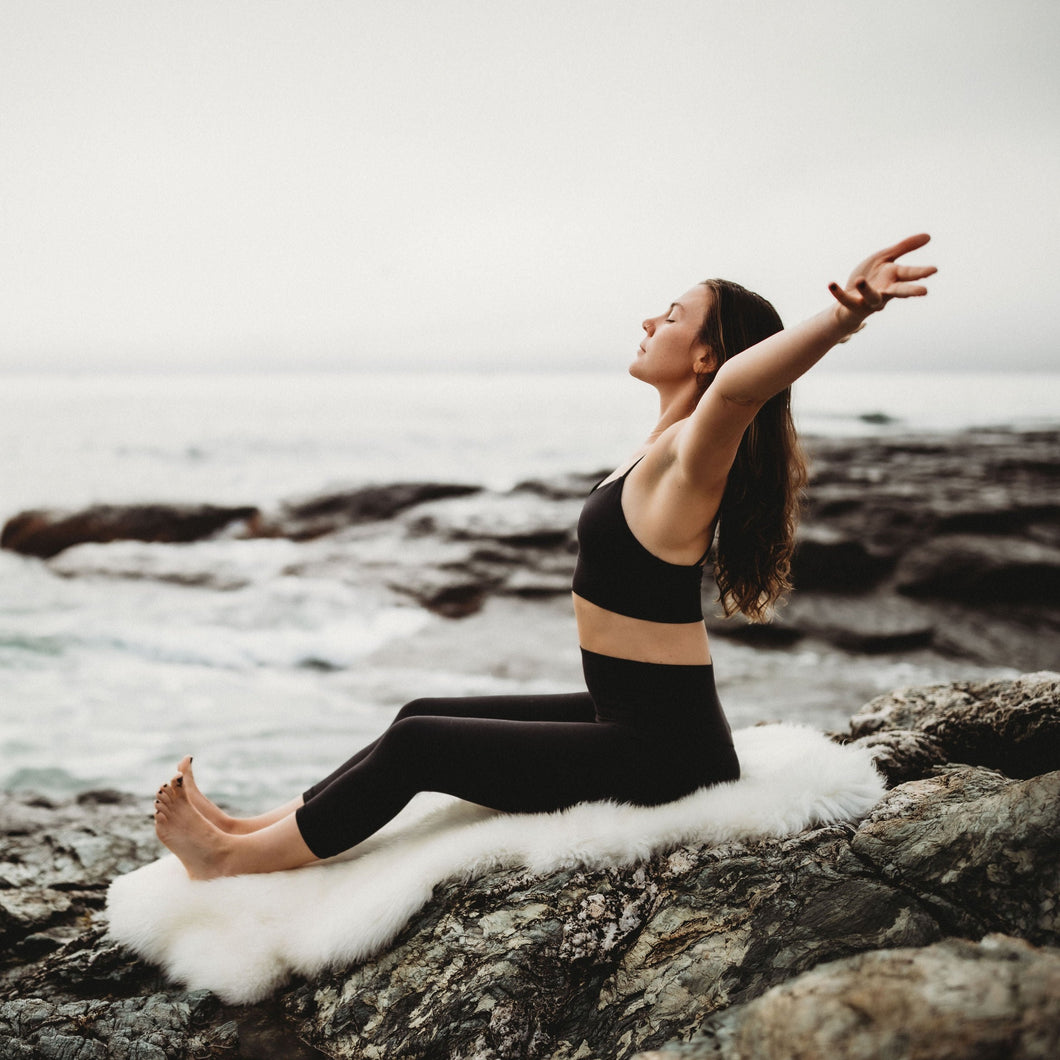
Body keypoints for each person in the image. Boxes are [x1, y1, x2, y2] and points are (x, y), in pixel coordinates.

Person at [154, 233, 936, 880]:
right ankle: (266, 823)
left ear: (706, 357)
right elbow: (729, 386)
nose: (648, 321)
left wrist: (843, 319)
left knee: (420, 749)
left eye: (671, 316)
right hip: (627, 719)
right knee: (418, 715)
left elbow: (738, 391)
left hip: (665, 755)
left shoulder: (693, 458)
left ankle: (227, 861)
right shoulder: (656, 450)